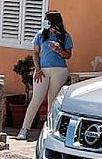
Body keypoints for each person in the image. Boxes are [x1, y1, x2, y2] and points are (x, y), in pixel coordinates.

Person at [18, 10, 73, 140]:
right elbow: (35, 53)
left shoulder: (65, 36)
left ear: (52, 21)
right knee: (36, 99)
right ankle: (24, 129)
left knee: (53, 101)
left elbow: (68, 55)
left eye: (46, 19)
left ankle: (49, 131)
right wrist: (37, 69)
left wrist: (59, 49)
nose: (44, 21)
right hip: (42, 70)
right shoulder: (41, 35)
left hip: (59, 70)